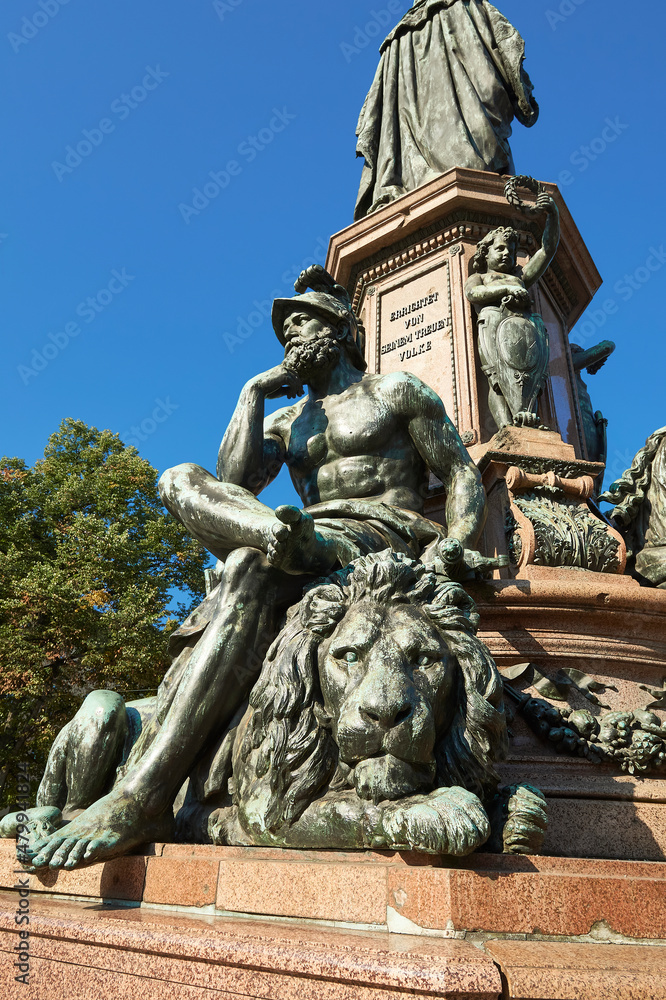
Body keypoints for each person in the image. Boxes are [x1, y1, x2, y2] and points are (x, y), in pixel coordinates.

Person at [23, 266, 491, 871]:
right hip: (303, 533)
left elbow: (458, 473)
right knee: (180, 480)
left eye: (304, 320)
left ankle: (142, 796)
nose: (292, 332)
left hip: (379, 537)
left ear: (342, 326)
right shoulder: (285, 420)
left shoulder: (396, 391)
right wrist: (253, 392)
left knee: (248, 566)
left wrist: (453, 542)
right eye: (285, 327)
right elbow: (234, 482)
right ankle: (277, 537)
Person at [355, 0, 539, 219]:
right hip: (470, 157)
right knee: (481, 157)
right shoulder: (398, 40)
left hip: (452, 156)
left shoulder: (395, 41)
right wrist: (522, 95)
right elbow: (502, 59)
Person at [465, 195, 560, 430]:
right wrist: (506, 288)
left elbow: (547, 251)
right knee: (496, 380)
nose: (507, 253)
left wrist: (553, 218)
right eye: (499, 248)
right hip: (493, 327)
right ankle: (505, 426)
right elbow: (473, 294)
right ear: (485, 254)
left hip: (524, 331)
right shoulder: (480, 277)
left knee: (530, 378)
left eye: (511, 249)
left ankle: (527, 418)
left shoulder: (521, 278)